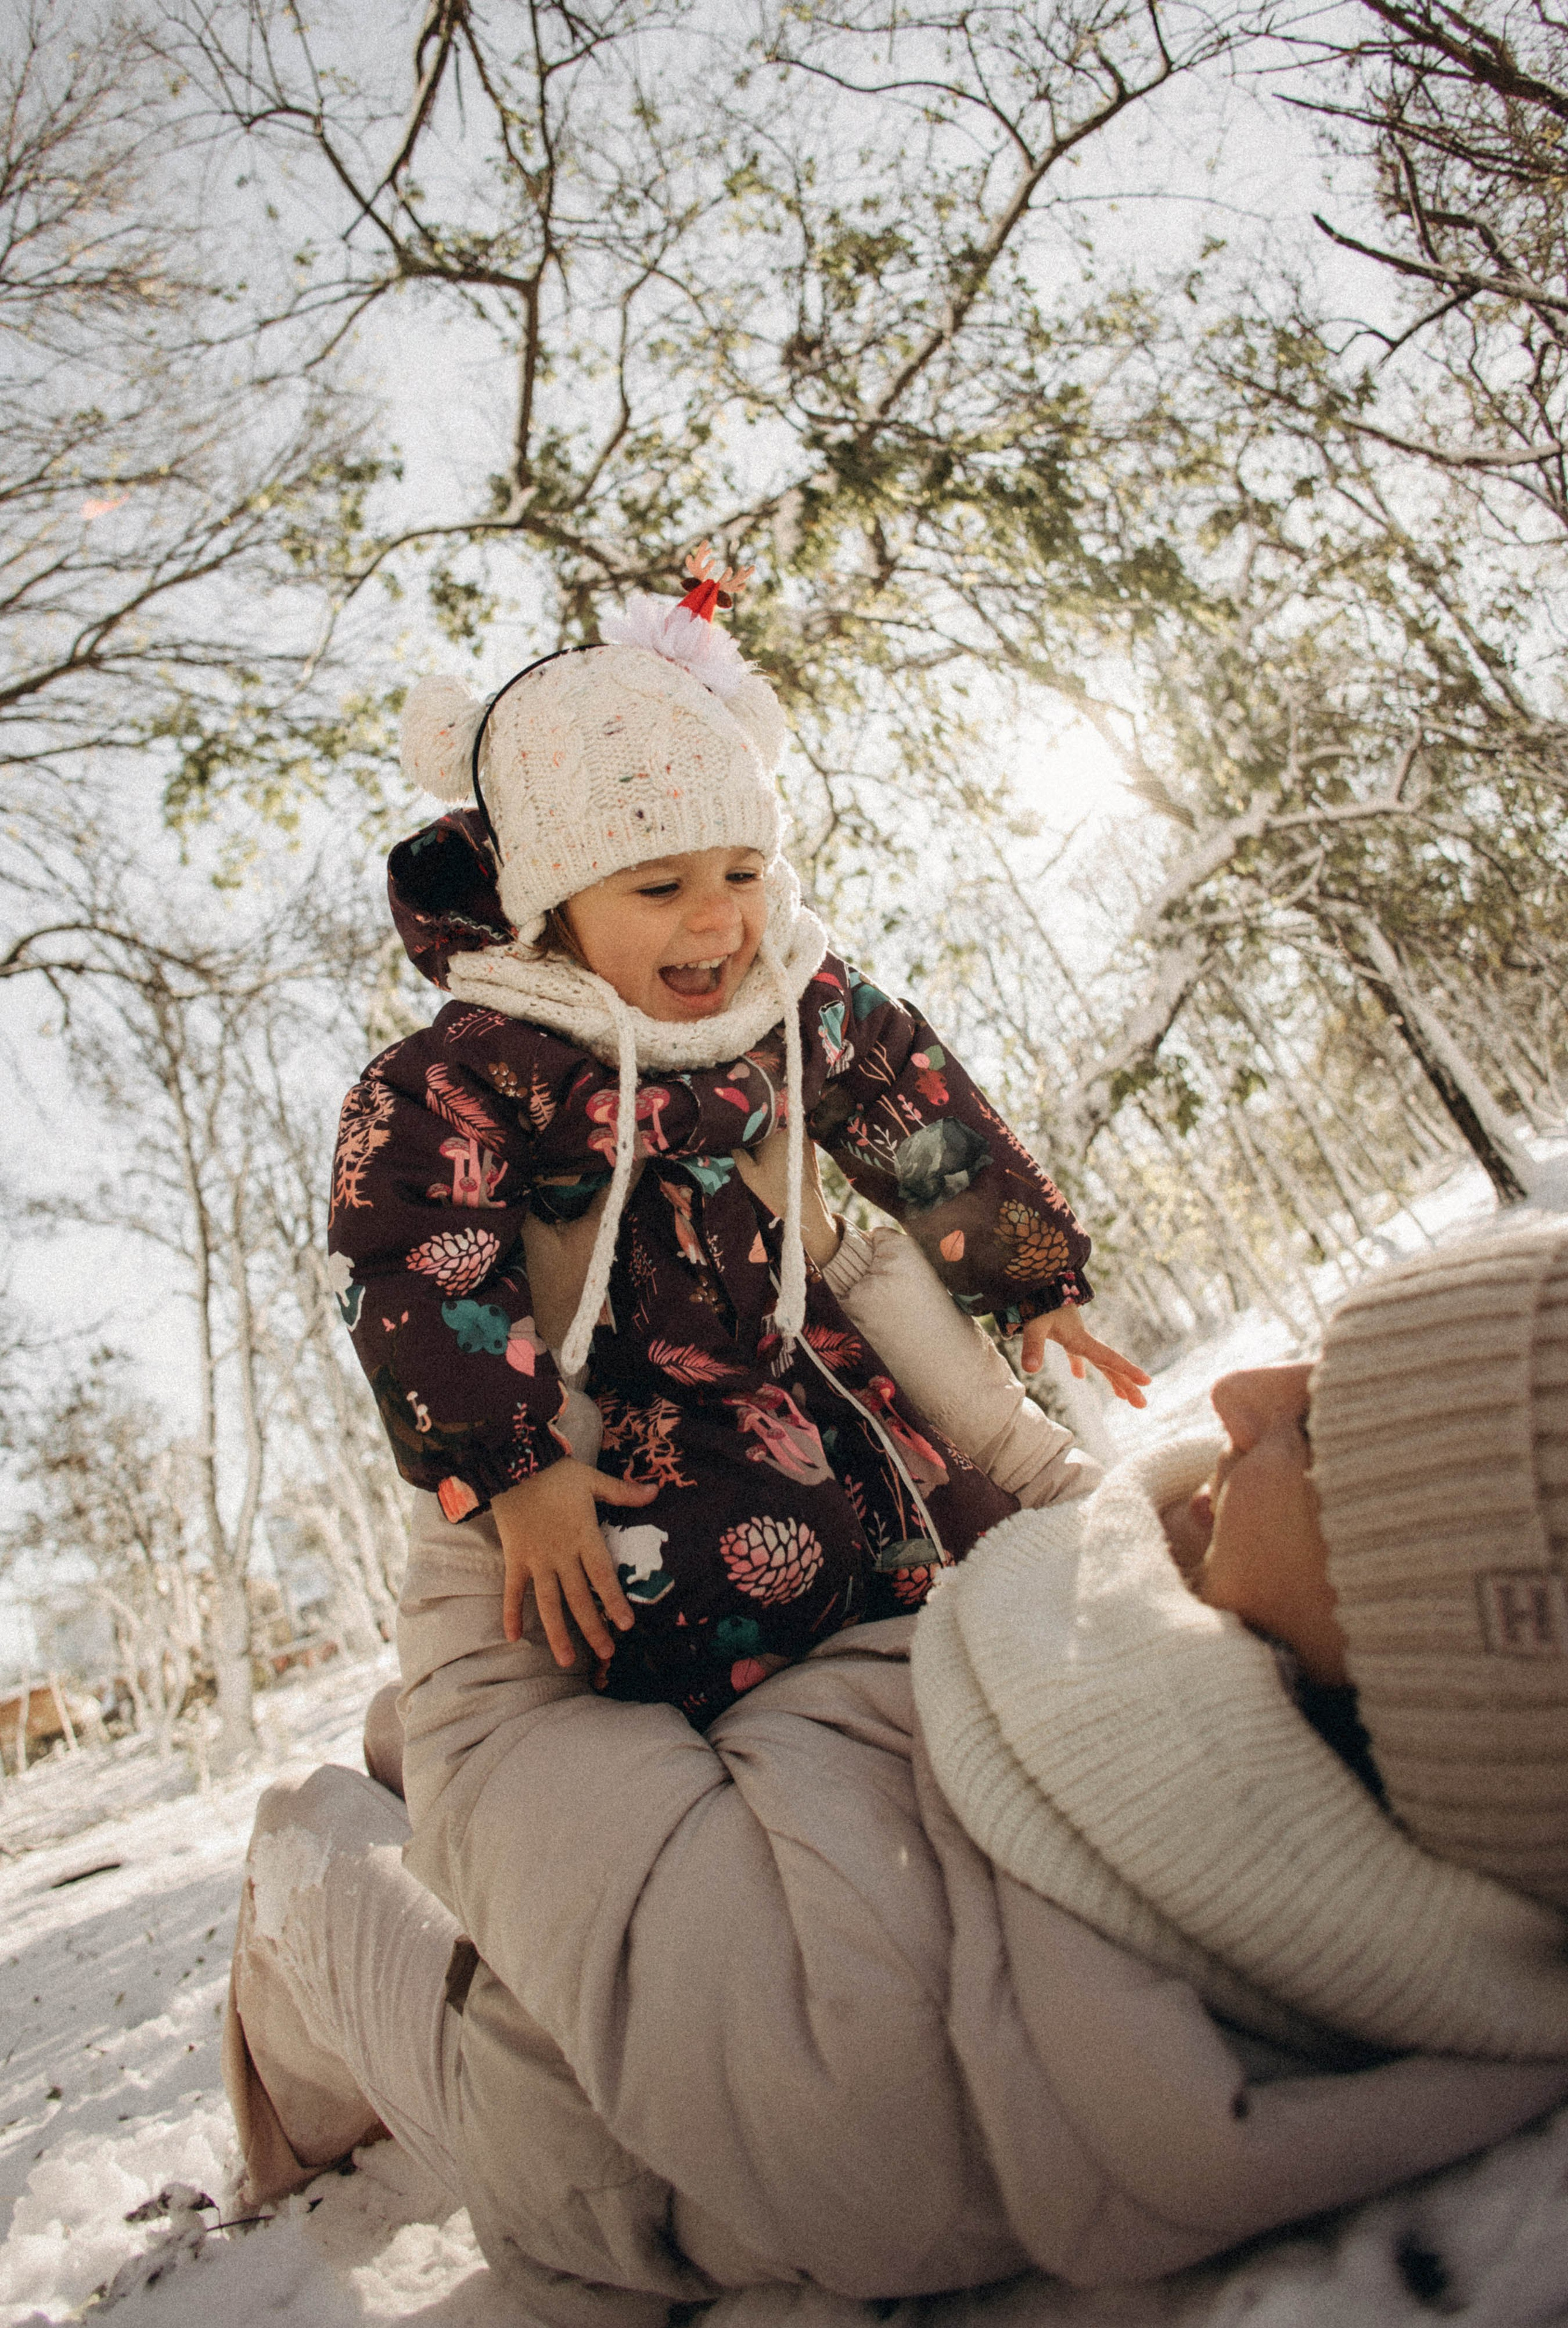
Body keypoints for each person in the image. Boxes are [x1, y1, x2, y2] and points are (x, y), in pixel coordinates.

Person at [225, 1218, 1568, 2324]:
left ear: (1420, 1646)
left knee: (318, 1824)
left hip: (554, 2089)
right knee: (395, 1715)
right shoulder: (1217, 1680)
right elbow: (1058, 1490)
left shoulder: (899, 2025)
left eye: (1320, 1435)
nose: (1241, 1394)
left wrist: (514, 1409)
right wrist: (851, 1261)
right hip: (736, 1804)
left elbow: (497, 1737)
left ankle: (299, 2122)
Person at [329, 544, 1146, 1724]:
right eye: (657, 889)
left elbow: (913, 1100)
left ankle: (976, 1711)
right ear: (548, 910)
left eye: (745, 870)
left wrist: (1031, 1275)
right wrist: (517, 1468)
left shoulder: (796, 998)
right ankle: (604, 1762)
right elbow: (412, 1255)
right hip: (625, 1416)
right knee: (692, 1600)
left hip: (813, 1361)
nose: (719, 918)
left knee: (959, 1537)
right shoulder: (474, 1069)